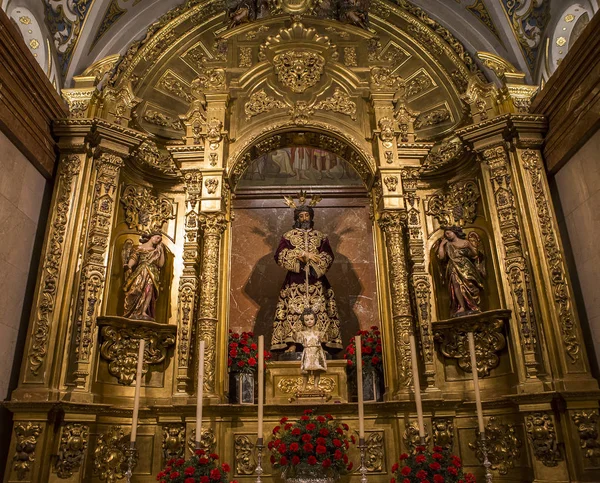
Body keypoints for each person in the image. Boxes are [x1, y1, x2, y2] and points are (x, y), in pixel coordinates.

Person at [271, 195, 342, 352]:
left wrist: (315, 262)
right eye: (301, 216)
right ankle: (292, 344)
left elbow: (328, 255)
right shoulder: (288, 236)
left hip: (316, 280)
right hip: (295, 281)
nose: (304, 218)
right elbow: (280, 254)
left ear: (311, 217)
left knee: (320, 308)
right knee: (292, 309)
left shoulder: (320, 236)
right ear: (297, 218)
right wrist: (301, 254)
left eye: (307, 215)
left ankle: (321, 343)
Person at [437, 226, 485, 317]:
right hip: (453, 266)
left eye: (448, 233)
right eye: (445, 234)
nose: (447, 235)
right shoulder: (448, 244)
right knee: (456, 285)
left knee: (470, 284)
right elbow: (442, 257)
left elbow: (475, 254)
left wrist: (470, 247)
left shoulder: (466, 242)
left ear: (454, 232)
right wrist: (441, 245)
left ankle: (473, 305)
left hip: (466, 266)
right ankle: (462, 306)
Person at [122, 232, 165, 320]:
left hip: (152, 273)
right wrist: (129, 266)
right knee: (136, 289)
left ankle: (143, 311)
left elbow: (160, 264)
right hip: (140, 272)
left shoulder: (156, 251)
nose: (158, 240)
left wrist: (161, 251)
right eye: (157, 238)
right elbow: (134, 258)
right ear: (151, 237)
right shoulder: (140, 248)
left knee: (149, 290)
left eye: (159, 239)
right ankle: (133, 311)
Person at [295, 309, 327, 391]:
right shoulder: (302, 333)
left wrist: (323, 336)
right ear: (303, 321)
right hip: (308, 352)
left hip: (317, 352)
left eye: (311, 319)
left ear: (315, 319)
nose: (309, 321)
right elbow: (297, 339)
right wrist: (294, 332)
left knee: (317, 370)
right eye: (307, 320)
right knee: (306, 371)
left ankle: (316, 386)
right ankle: (304, 386)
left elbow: (324, 340)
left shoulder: (318, 333)